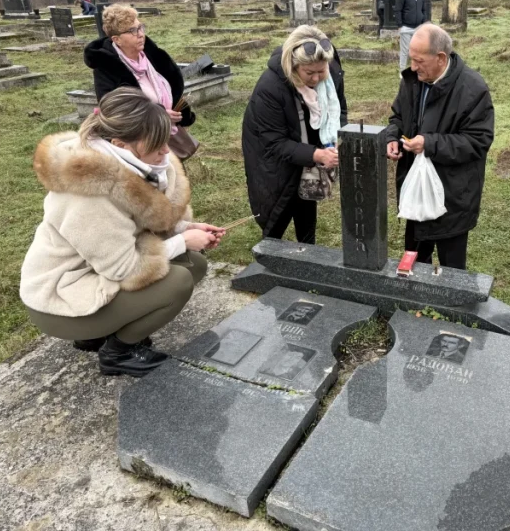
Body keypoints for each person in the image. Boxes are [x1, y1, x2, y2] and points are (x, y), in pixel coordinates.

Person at [19, 88, 226, 377]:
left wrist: (185, 228)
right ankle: (118, 351)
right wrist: (181, 241)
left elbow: (136, 223)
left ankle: (108, 329)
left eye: (166, 140)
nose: (166, 151)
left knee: (193, 264)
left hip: (91, 275)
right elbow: (125, 270)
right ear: (120, 143)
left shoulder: (129, 166)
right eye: (157, 145)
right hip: (60, 300)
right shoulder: (89, 194)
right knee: (178, 281)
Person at [385, 24, 494, 271]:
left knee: (451, 270)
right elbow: (397, 118)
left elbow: (478, 141)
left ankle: (450, 309)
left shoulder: (473, 88)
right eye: (411, 59)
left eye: (419, 61)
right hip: (415, 190)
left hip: (452, 197)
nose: (413, 67)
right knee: (414, 262)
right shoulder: (412, 81)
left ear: (441, 58)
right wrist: (391, 137)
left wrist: (429, 143)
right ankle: (416, 307)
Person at [242, 25, 347, 244]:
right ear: (293, 65)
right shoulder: (270, 87)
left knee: (306, 199)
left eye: (321, 71)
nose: (317, 79)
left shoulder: (332, 72)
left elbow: (341, 110)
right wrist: (317, 155)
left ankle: (307, 250)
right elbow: (274, 143)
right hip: (271, 155)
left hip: (309, 147)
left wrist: (334, 139)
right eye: (309, 73)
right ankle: (269, 254)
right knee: (278, 205)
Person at [84, 4, 197, 159]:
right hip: (139, 147)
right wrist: (158, 116)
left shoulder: (151, 55)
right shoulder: (107, 67)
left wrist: (181, 112)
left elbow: (168, 86)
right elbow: (115, 111)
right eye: (132, 31)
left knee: (173, 180)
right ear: (117, 39)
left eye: (140, 27)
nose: (140, 34)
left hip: (166, 135)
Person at [395, 0, 429, 76]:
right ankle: (402, 72)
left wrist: (424, 21)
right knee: (405, 51)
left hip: (418, 28)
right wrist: (400, 25)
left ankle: (416, 70)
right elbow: (398, 10)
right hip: (406, 27)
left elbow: (424, 10)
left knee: (418, 51)